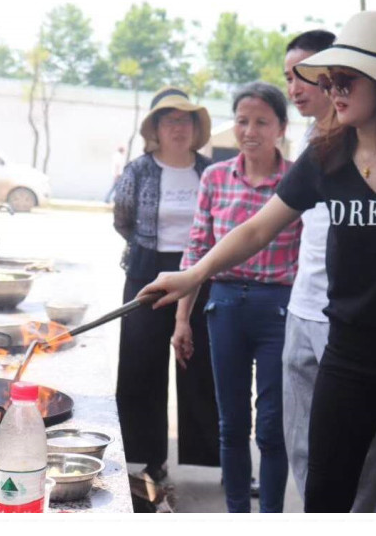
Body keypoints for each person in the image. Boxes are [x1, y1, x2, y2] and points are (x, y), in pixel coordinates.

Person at [140, 11, 376, 513]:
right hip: (350, 352)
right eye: (329, 79)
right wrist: (194, 275)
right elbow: (257, 228)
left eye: (345, 80)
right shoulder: (329, 154)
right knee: (324, 495)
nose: (332, 90)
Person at [171, 81, 301, 513]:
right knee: (231, 425)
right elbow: (196, 251)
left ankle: (271, 517)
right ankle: (236, 515)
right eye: (243, 121)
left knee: (271, 427)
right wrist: (182, 318)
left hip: (279, 311)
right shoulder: (214, 177)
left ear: (281, 127)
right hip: (223, 306)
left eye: (262, 121)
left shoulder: (298, 180)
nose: (250, 130)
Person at [282, 29, 376, 512]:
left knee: (360, 454)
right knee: (302, 444)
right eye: (289, 77)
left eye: (307, 76)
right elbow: (264, 228)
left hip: (349, 321)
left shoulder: (373, 145)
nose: (296, 87)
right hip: (301, 310)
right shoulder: (310, 144)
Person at [112, 87, 219, 483]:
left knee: (202, 364)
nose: (178, 127)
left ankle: (214, 459)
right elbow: (122, 219)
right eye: (169, 120)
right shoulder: (139, 169)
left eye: (185, 119)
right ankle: (146, 458)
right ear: (156, 128)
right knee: (142, 365)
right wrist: (150, 252)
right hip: (147, 273)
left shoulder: (210, 171)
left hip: (202, 273)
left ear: (196, 127)